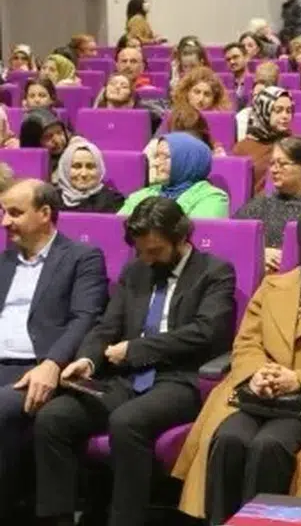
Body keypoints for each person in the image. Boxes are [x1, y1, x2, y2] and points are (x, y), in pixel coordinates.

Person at [173, 199, 301, 523]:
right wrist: (256, 374)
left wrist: (298, 379)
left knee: (269, 446)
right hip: (257, 392)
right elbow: (247, 341)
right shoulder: (273, 284)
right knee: (229, 439)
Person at [32, 196, 235, 526]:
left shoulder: (215, 272)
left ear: (181, 237)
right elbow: (107, 326)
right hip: (125, 377)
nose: (147, 258)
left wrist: (136, 349)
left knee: (127, 422)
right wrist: (88, 360)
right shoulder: (136, 269)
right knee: (53, 418)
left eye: (155, 251)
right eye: (141, 251)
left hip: (179, 379)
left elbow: (206, 332)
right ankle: (58, 521)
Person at [0, 180, 108, 517]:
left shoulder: (81, 257)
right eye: (3, 212)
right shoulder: (4, 261)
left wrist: (52, 363)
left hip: (34, 367)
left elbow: (85, 318)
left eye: (15, 213)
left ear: (45, 213)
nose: (5, 221)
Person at [234, 136, 301, 273]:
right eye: (272, 164)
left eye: (282, 164)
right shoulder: (260, 203)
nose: (274, 170)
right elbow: (232, 239)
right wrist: (260, 253)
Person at [119, 132, 230, 219]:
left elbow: (198, 236)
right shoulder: (143, 194)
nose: (155, 163)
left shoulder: (212, 198)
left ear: (187, 162)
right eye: (157, 156)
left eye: (165, 157)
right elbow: (116, 229)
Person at [232, 86, 295, 195]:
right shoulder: (242, 148)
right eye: (278, 110)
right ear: (263, 111)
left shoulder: (294, 144)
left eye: (288, 111)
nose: (285, 116)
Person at [53, 137, 125, 213]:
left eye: (90, 167)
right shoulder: (52, 200)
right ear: (65, 169)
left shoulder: (113, 200)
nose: (84, 174)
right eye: (77, 166)